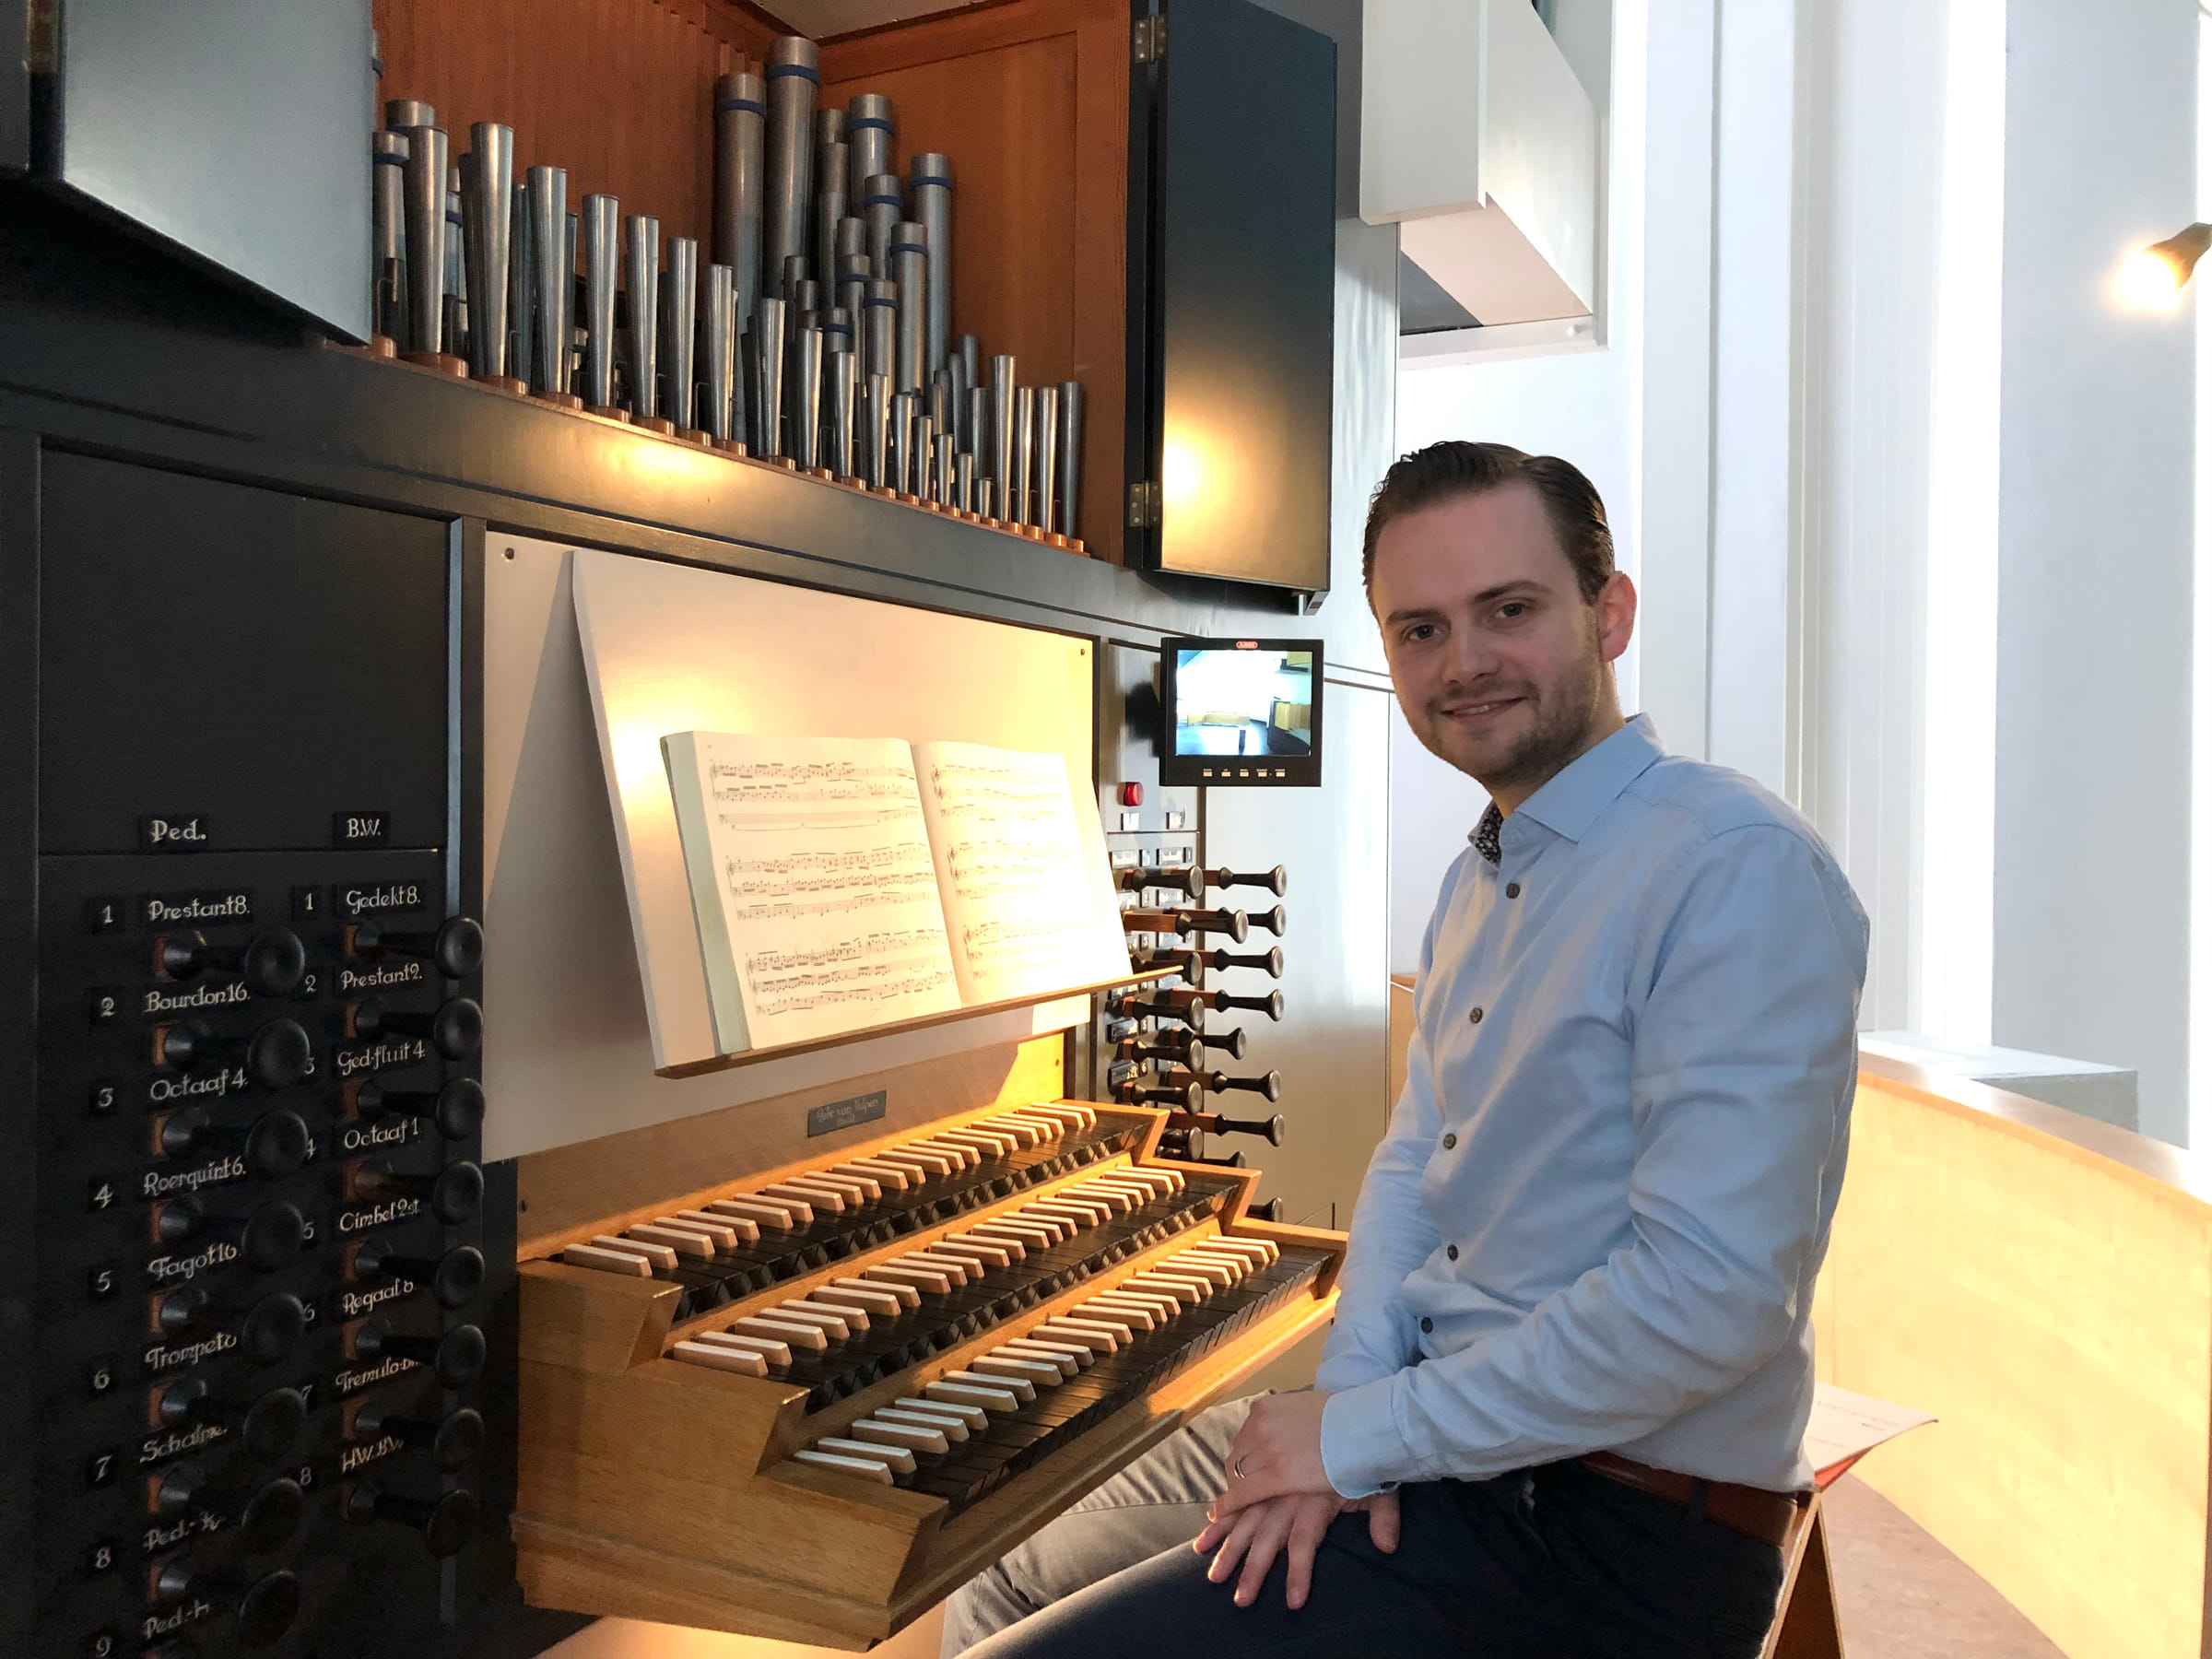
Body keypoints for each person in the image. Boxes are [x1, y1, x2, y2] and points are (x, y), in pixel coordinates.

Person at [942, 441, 1869, 1659]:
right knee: (1002, 1572)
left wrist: (1363, 1440)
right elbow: (1408, 1171)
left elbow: (1710, 1298)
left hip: (1609, 1539)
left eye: (1511, 611)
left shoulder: (1732, 866)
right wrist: (1342, 1417)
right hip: (1446, 1461)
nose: (1466, 662)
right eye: (1420, 629)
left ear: (1612, 613)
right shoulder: (1482, 880)